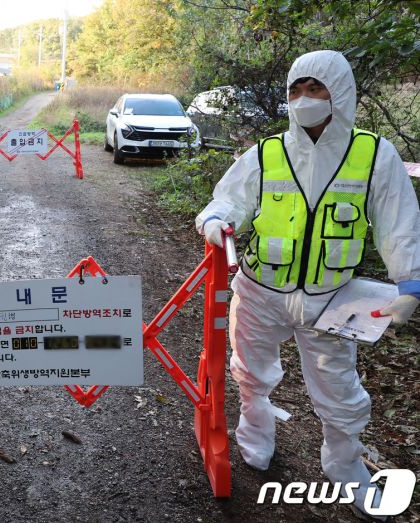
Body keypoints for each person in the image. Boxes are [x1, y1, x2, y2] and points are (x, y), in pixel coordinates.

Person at [195, 50, 419, 518]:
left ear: (339, 93)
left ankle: (346, 472)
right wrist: (216, 222)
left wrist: (410, 285)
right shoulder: (268, 153)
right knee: (249, 372)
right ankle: (255, 438)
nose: (304, 99)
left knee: (338, 391)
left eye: (314, 88)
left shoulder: (374, 155)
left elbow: (399, 222)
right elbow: (227, 201)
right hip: (259, 290)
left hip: (331, 298)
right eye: (295, 90)